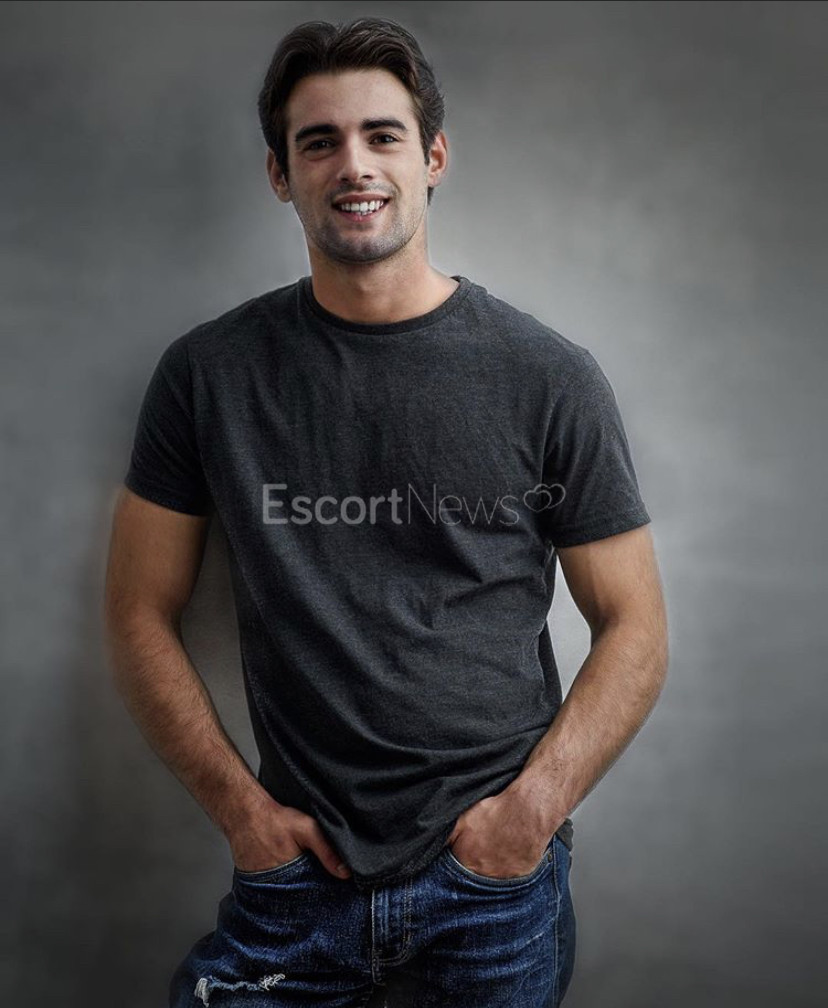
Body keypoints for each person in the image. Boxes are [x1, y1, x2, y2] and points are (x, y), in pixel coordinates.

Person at [103, 16, 669, 1008]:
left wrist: (528, 817)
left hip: (494, 889)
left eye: (382, 135)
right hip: (294, 883)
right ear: (280, 174)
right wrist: (243, 815)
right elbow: (136, 611)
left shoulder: (548, 377)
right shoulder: (208, 375)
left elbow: (637, 627)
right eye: (318, 141)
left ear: (433, 157)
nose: (353, 164)